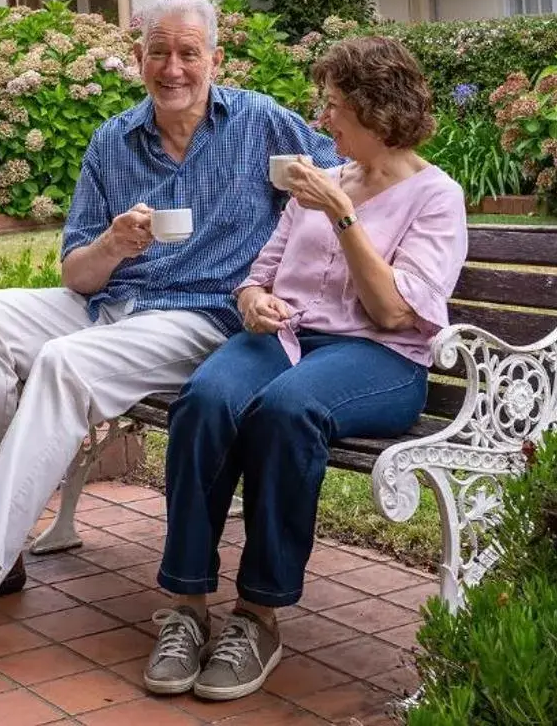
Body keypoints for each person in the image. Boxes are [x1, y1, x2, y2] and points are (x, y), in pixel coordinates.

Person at [0, 0, 339, 666]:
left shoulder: (262, 122)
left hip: (203, 316)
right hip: (117, 300)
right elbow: (78, 275)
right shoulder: (112, 140)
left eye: (189, 52)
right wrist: (115, 245)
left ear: (216, 58)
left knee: (65, 361)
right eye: (159, 51)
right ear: (138, 58)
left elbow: (346, 172)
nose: (174, 67)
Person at [142, 35, 466, 703]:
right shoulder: (318, 182)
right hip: (286, 337)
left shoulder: (435, 197)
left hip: (378, 358)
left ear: (380, 110)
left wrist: (344, 216)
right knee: (205, 396)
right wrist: (254, 299)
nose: (326, 120)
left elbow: (392, 311)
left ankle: (258, 615)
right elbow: (259, 274)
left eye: (338, 106)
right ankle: (186, 604)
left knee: (288, 410)